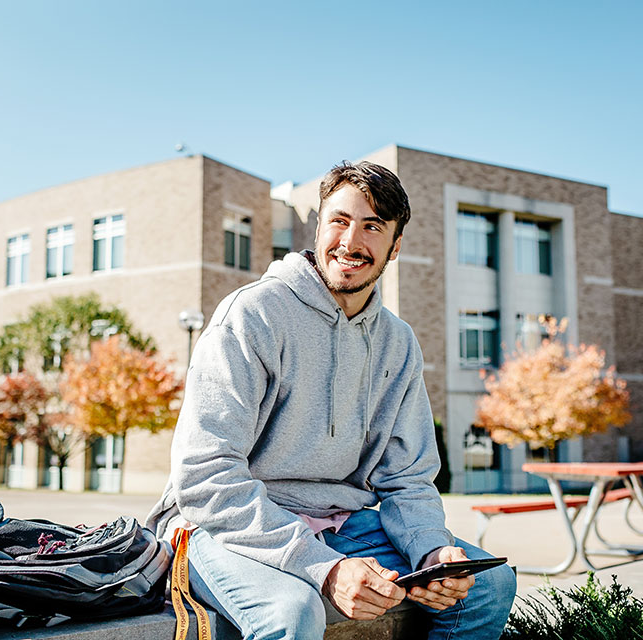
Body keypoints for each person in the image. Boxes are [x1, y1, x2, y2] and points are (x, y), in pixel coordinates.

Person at [147, 161, 517, 639]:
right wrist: (324, 568)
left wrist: (430, 551)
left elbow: (407, 478)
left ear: (395, 246)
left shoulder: (398, 343)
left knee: (486, 587)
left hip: (342, 524)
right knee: (293, 610)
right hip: (221, 527)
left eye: (373, 227)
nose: (350, 240)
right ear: (317, 226)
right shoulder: (253, 314)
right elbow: (204, 476)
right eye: (339, 220)